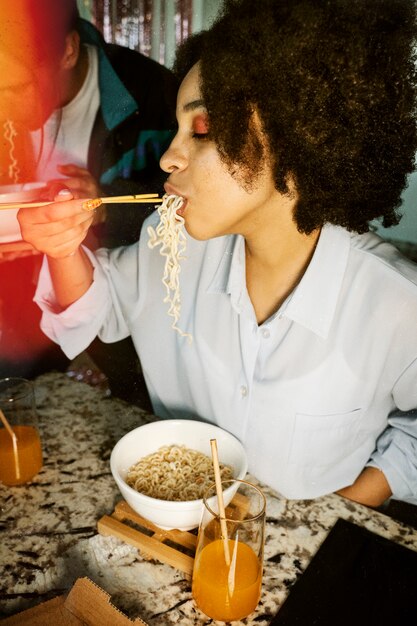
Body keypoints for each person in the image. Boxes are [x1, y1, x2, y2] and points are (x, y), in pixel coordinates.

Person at [18, 0, 417, 507]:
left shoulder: (396, 304)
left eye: (201, 129)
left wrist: (363, 494)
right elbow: (98, 306)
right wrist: (61, 246)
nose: (168, 156)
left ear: (297, 135)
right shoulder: (174, 249)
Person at [0, 0, 178, 395]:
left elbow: (186, 208)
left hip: (121, 324)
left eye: (15, 88)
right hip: (25, 316)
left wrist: (104, 205)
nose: (4, 108)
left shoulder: (151, 96)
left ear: (67, 50)